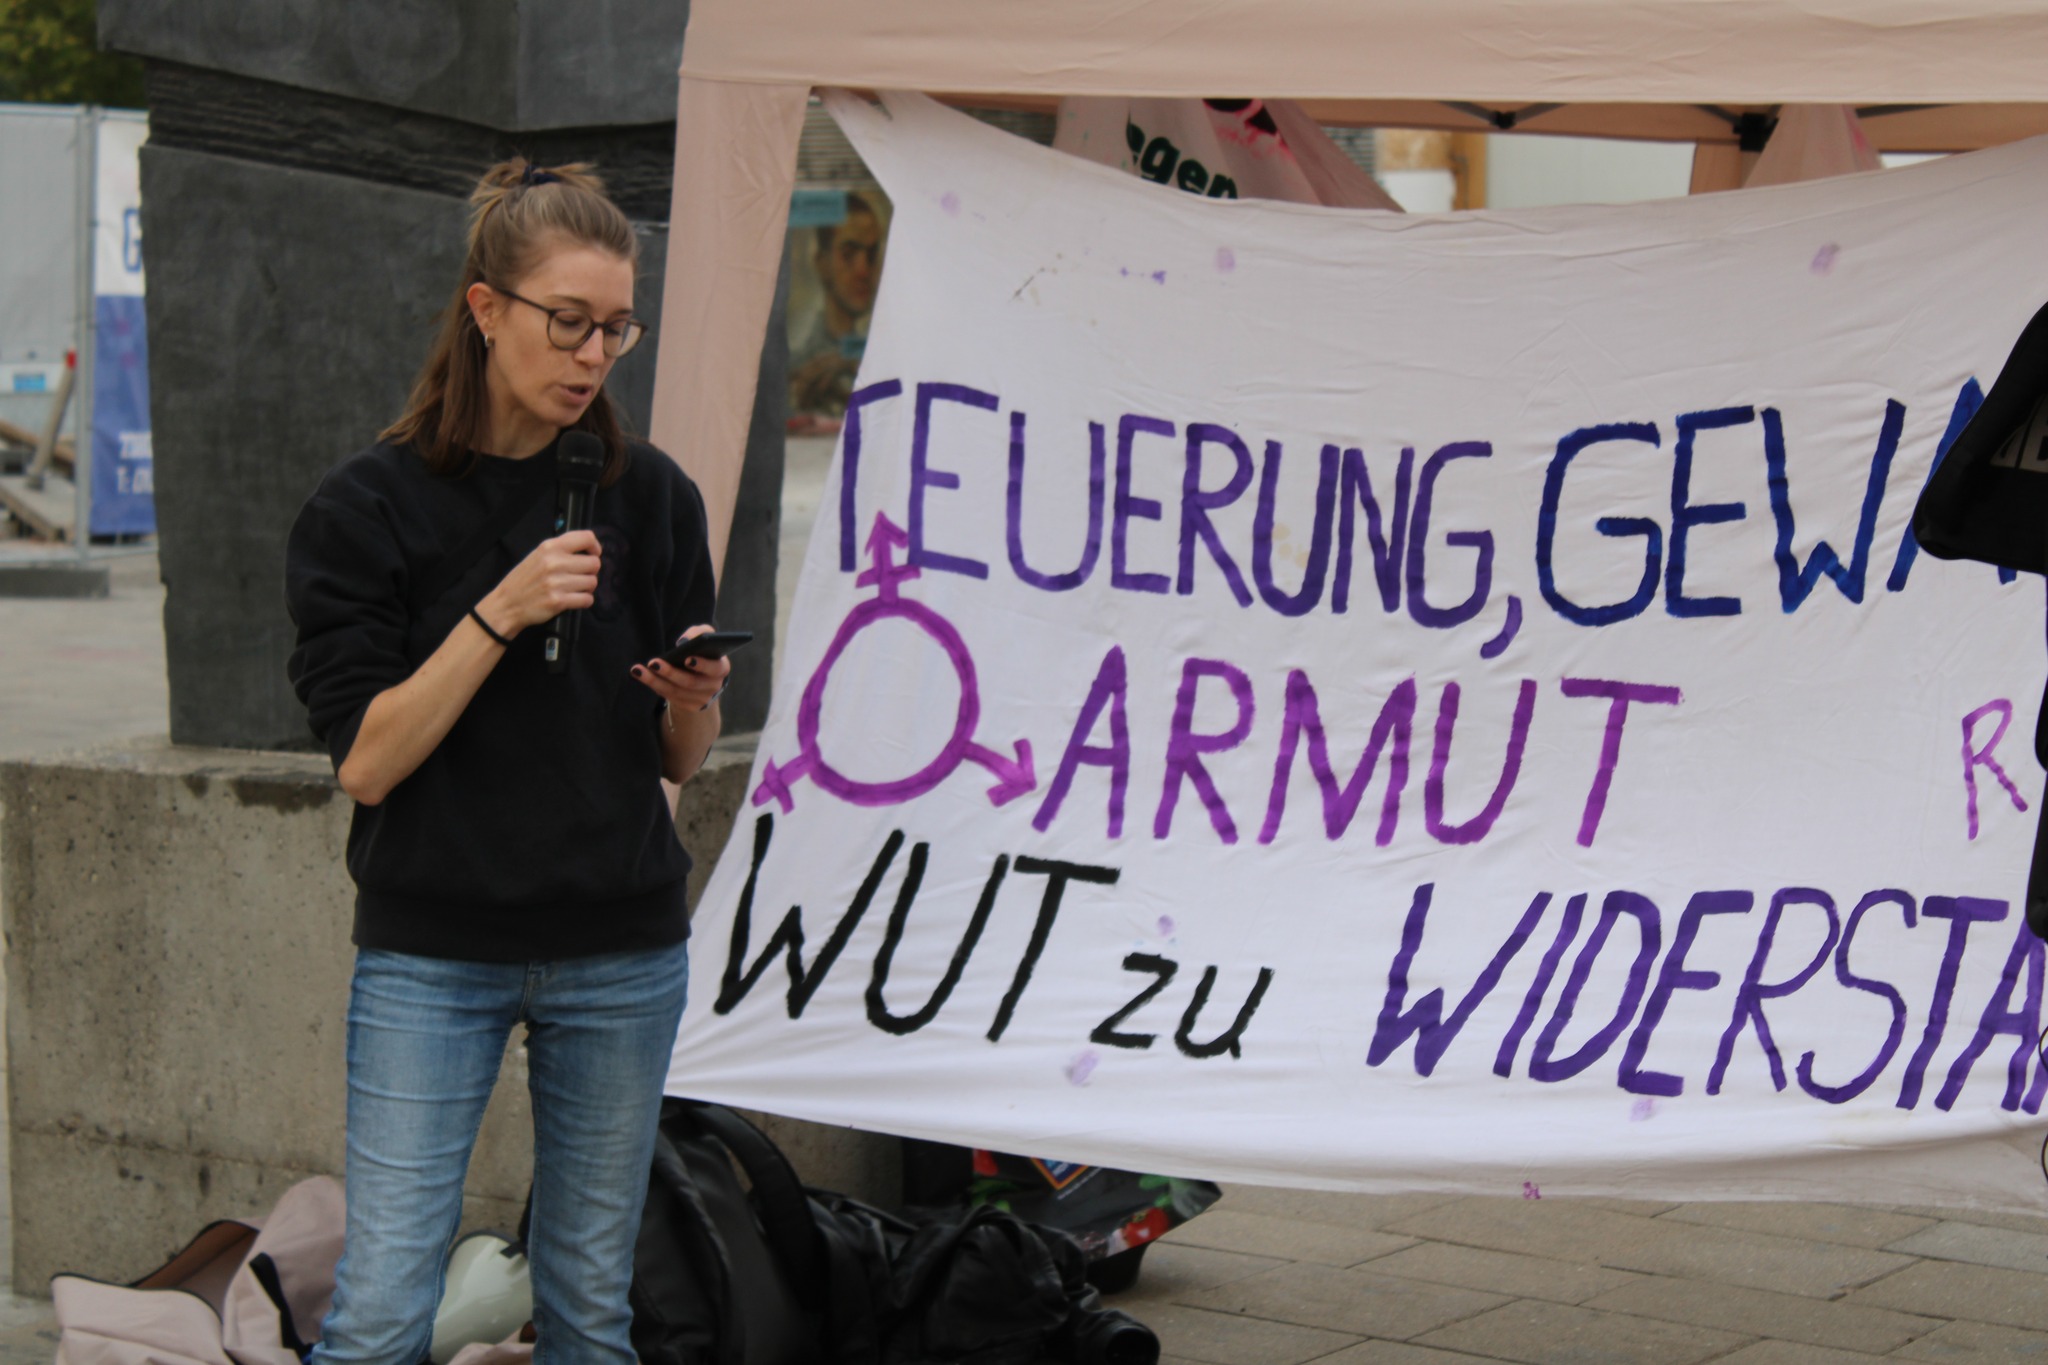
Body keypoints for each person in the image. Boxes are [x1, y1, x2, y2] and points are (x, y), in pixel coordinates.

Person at [284, 158, 727, 1365]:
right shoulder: (366, 508)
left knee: (591, 1310)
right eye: (566, 322)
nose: (593, 356)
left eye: (616, 329)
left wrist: (692, 705)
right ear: (485, 309)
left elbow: (676, 761)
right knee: (382, 1312)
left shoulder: (653, 496)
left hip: (621, 947)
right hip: (435, 951)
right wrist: (501, 610)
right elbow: (368, 764)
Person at [789, 191, 883, 418]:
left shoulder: (884, 348)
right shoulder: (798, 362)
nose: (864, 270)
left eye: (871, 254)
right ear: (822, 264)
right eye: (849, 254)